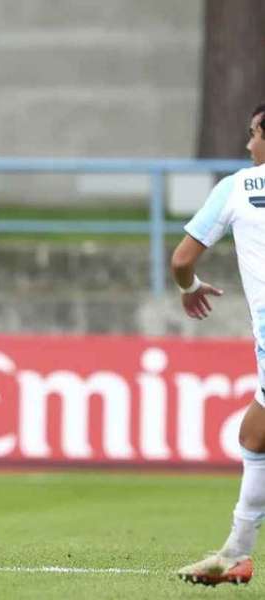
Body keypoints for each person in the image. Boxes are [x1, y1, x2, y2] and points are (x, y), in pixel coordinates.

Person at [173, 103, 265, 586]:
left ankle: (234, 554)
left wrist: (189, 289)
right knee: (255, 436)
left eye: (254, 134)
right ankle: (236, 554)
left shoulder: (237, 187)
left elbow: (182, 258)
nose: (249, 145)